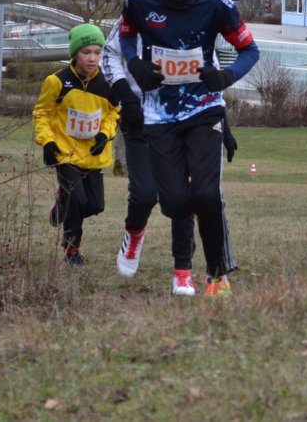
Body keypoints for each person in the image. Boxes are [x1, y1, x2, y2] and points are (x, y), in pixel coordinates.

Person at [119, 0, 259, 297]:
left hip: (203, 109)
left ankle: (217, 275)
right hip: (159, 115)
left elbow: (250, 50)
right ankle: (184, 249)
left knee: (207, 196)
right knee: (175, 203)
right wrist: (134, 64)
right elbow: (126, 36)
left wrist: (226, 76)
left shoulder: (215, 2)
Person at [102, 24, 238, 296]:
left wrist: (223, 124)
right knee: (145, 194)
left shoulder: (197, 19)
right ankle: (134, 232)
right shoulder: (137, 12)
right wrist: (127, 97)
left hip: (187, 117)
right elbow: (108, 55)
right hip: (140, 117)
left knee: (196, 195)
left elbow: (210, 75)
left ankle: (188, 272)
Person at [33, 23, 119, 267]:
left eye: (97, 52)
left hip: (93, 154)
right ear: (74, 54)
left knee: (95, 205)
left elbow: (114, 112)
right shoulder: (57, 81)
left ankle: (62, 203)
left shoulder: (108, 82)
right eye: (86, 52)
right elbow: (41, 113)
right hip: (65, 152)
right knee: (77, 200)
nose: (92, 58)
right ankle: (72, 252)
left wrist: (104, 135)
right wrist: (48, 142)